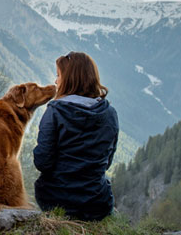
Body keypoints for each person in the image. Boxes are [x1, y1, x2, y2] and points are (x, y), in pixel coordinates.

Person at [32, 51, 119, 220]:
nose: (56, 81)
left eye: (58, 75)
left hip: (56, 201)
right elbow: (106, 162)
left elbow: (42, 162)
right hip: (97, 204)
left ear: (71, 78)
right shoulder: (110, 114)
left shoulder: (55, 112)